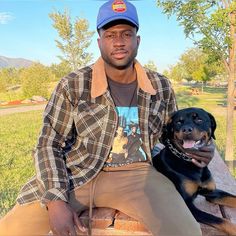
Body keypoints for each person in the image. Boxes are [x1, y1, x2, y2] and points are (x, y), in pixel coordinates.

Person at [0, 0, 215, 235]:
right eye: (110, 34)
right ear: (99, 41)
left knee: (187, 232)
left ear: (137, 40)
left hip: (139, 176)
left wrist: (200, 149)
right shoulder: (73, 84)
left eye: (127, 33)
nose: (119, 41)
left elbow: (170, 135)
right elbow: (48, 143)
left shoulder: (160, 86)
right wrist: (55, 200)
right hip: (77, 174)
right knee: (10, 229)